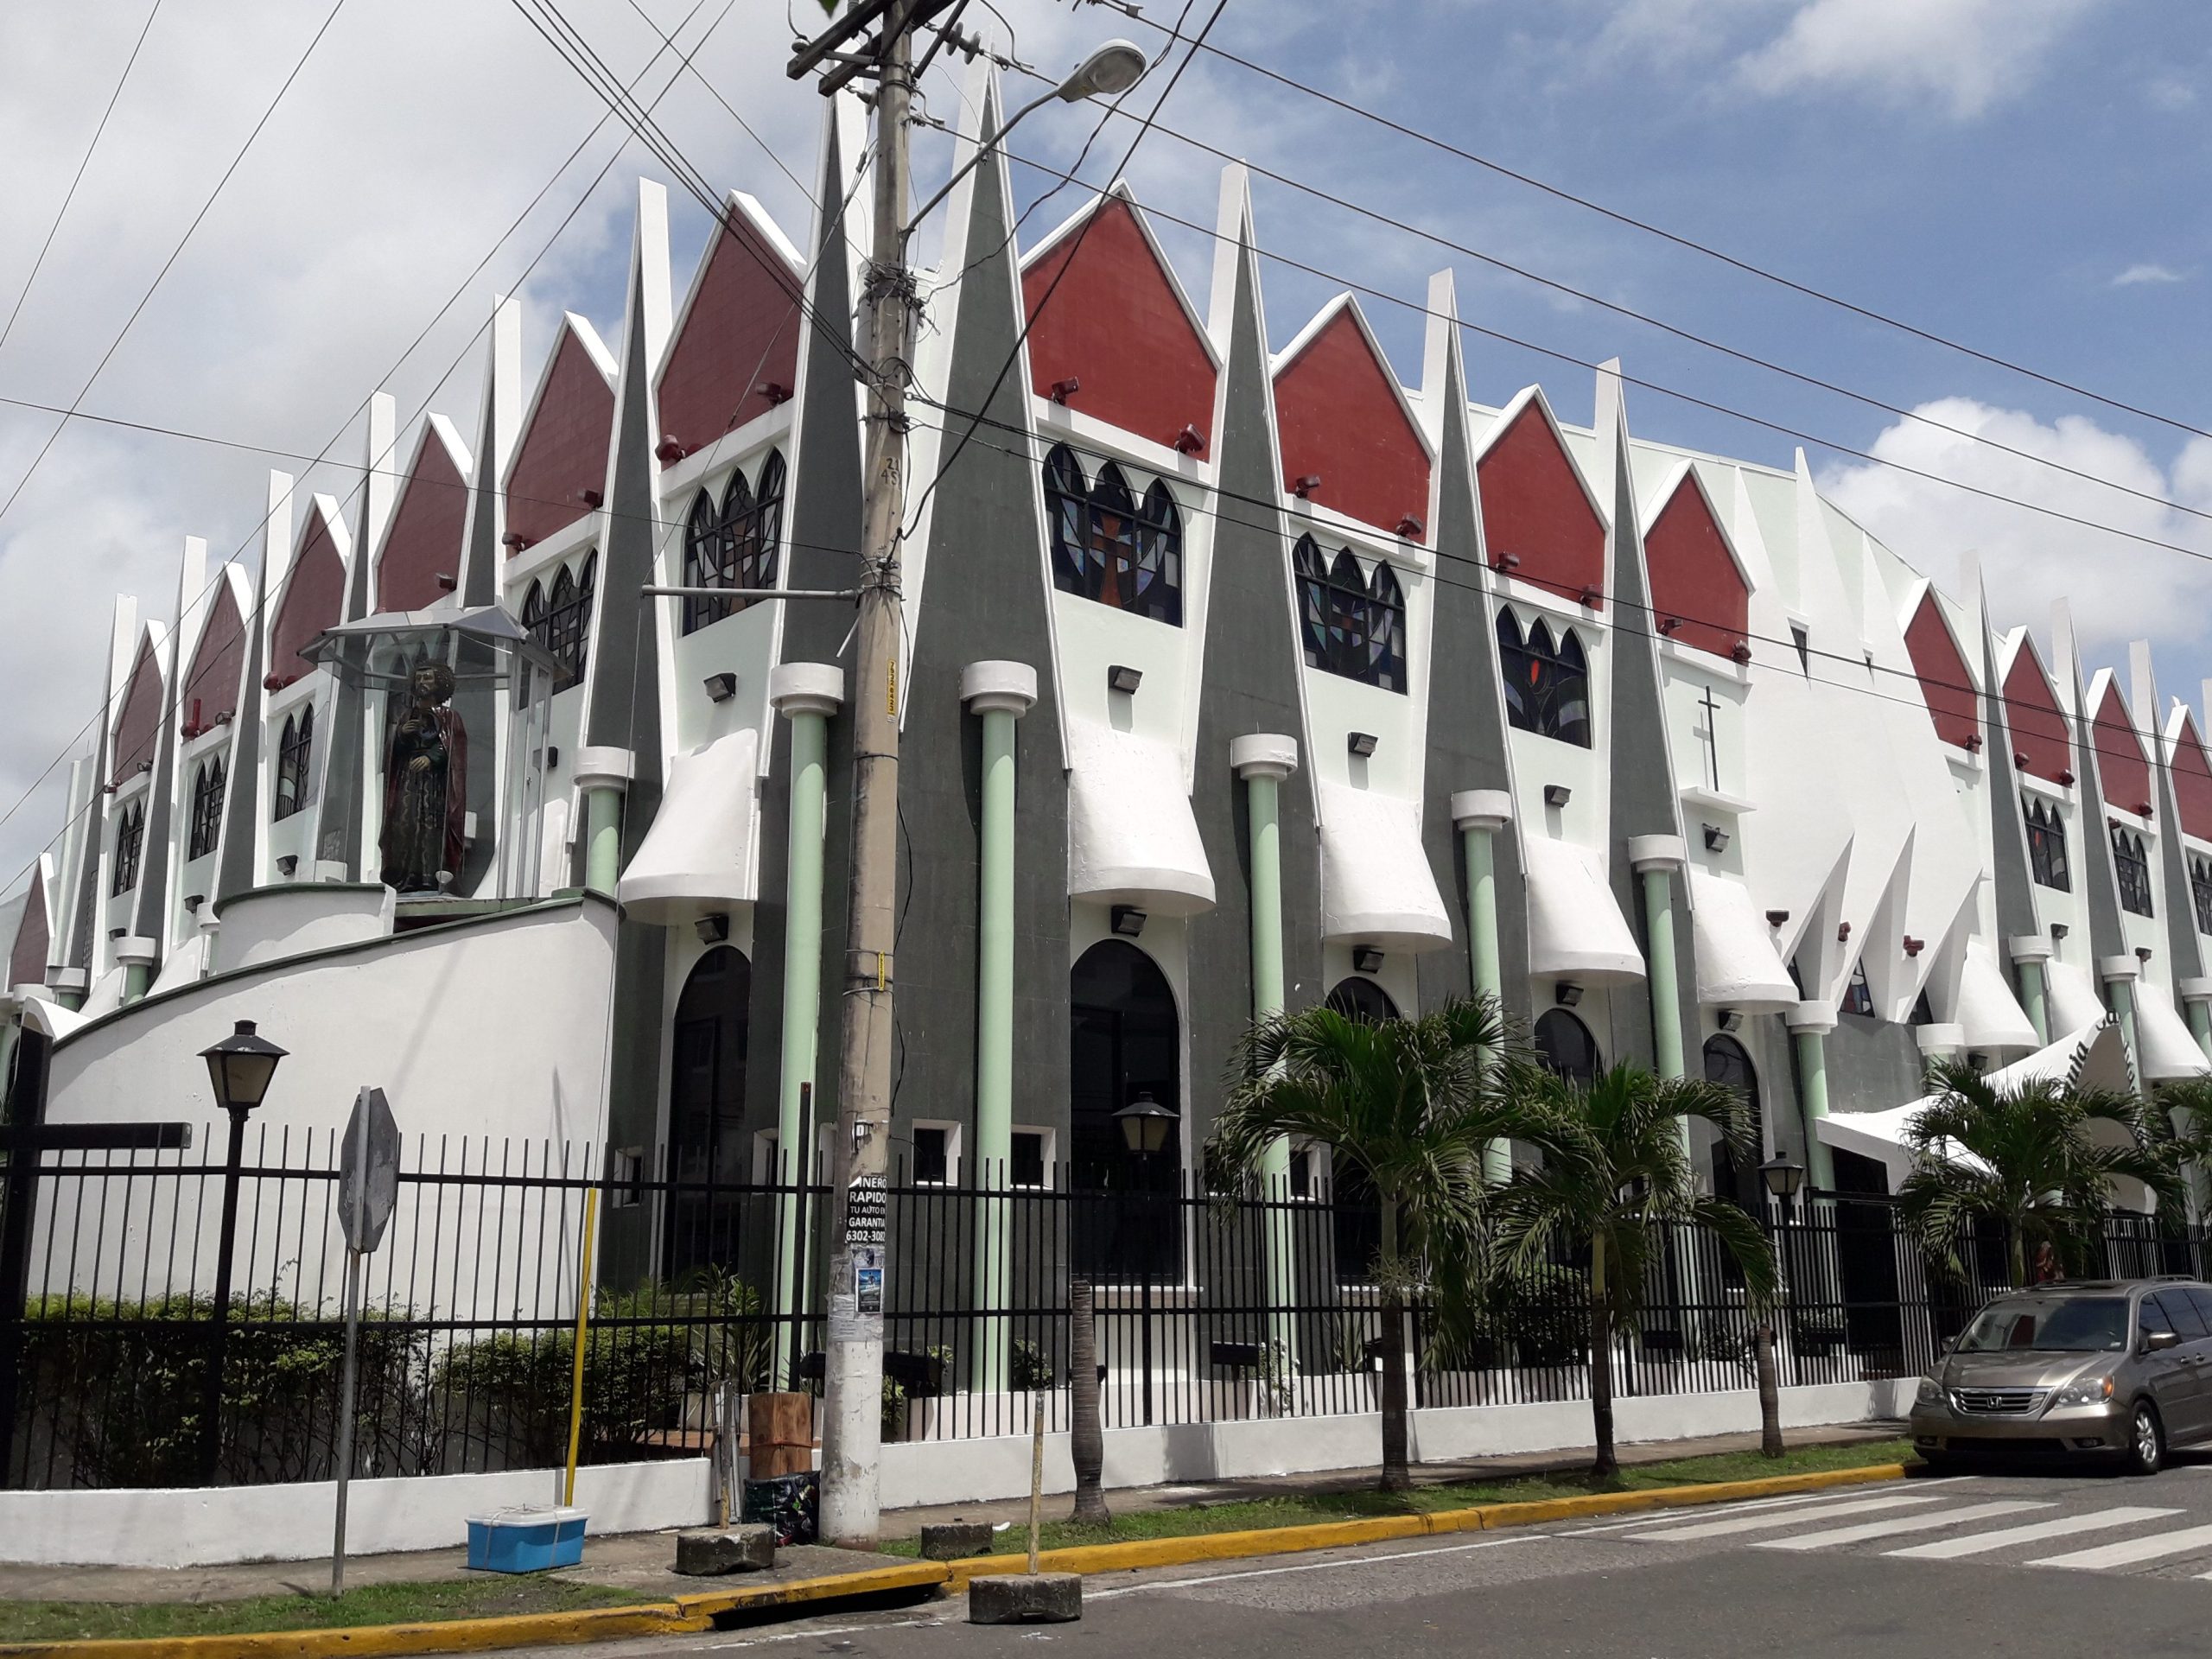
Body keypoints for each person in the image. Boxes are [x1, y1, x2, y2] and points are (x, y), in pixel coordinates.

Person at [378, 660, 467, 893]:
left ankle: (430, 876)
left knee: (431, 827)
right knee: (405, 827)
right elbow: (393, 751)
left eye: (428, 678)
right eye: (419, 678)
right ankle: (407, 875)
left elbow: (453, 746)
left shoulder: (449, 716)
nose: (423, 683)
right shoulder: (407, 715)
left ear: (439, 682)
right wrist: (400, 735)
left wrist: (432, 757)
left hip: (435, 784)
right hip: (409, 780)